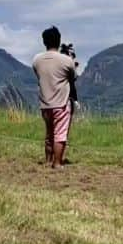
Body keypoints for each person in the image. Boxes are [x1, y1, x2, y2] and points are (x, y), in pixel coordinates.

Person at [32, 26, 77, 169]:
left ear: (44, 42)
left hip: (45, 104)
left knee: (49, 134)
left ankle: (48, 160)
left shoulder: (36, 60)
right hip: (61, 103)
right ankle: (57, 163)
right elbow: (73, 77)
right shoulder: (66, 60)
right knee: (60, 134)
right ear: (59, 41)